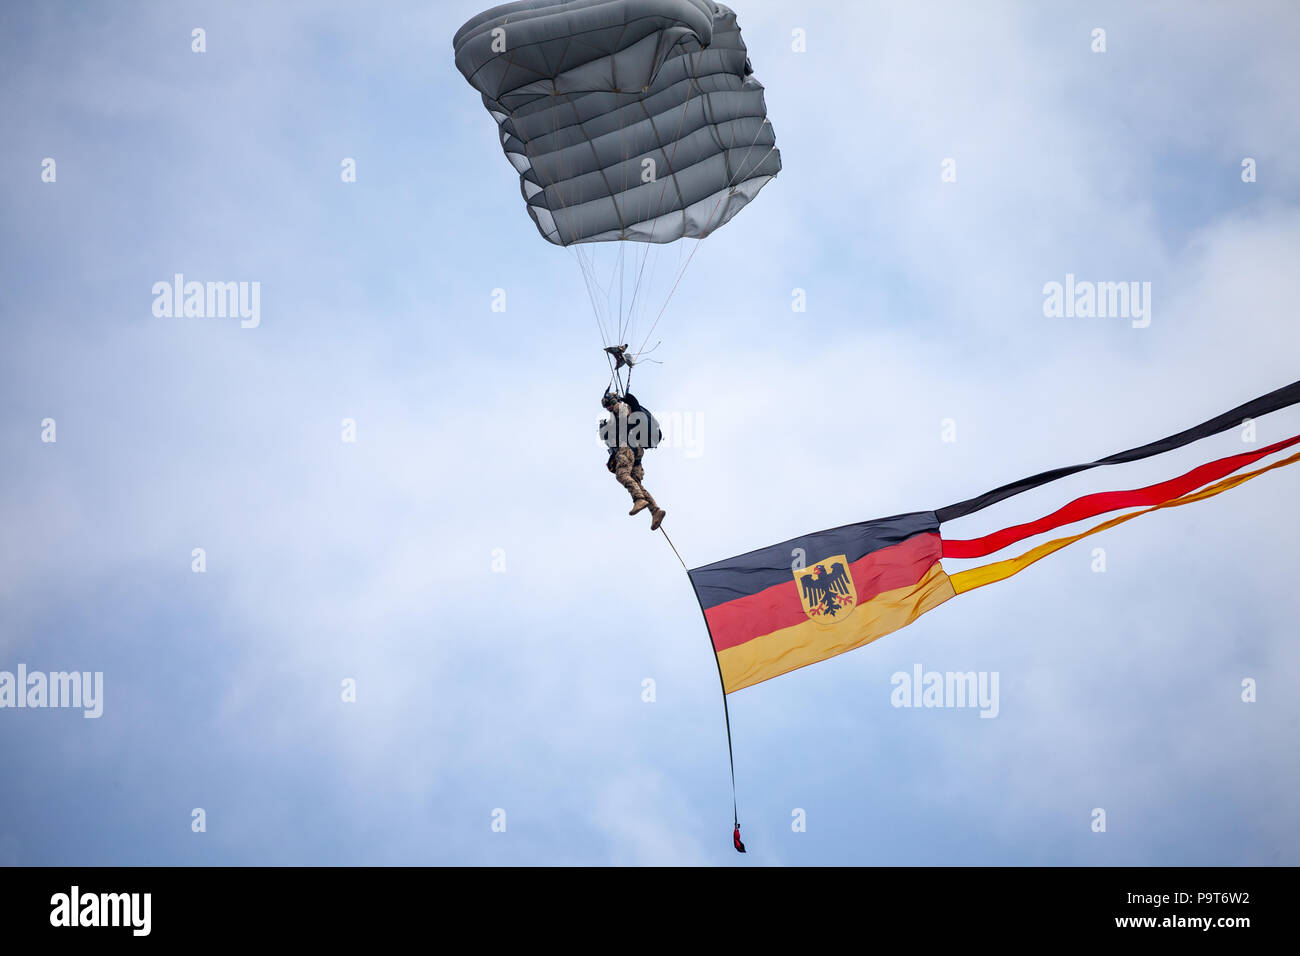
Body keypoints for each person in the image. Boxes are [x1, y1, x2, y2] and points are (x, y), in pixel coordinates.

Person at [600, 387, 666, 530]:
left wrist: (607, 429)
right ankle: (655, 511)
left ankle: (639, 500)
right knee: (637, 484)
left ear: (613, 401)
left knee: (622, 475)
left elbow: (622, 423)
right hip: (636, 453)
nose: (609, 408)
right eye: (607, 406)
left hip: (627, 447)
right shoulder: (623, 411)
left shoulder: (621, 408)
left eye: (608, 404)